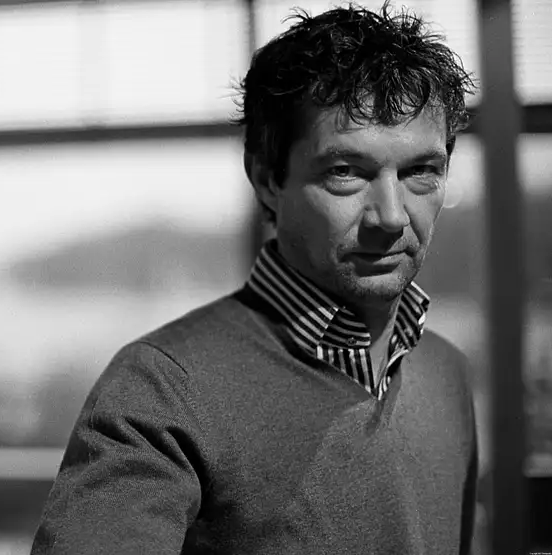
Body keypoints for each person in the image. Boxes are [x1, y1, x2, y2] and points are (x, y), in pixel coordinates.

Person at [31, 3, 478, 554]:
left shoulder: (447, 372)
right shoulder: (163, 388)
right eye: (345, 172)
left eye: (421, 171)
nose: (390, 216)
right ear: (267, 179)